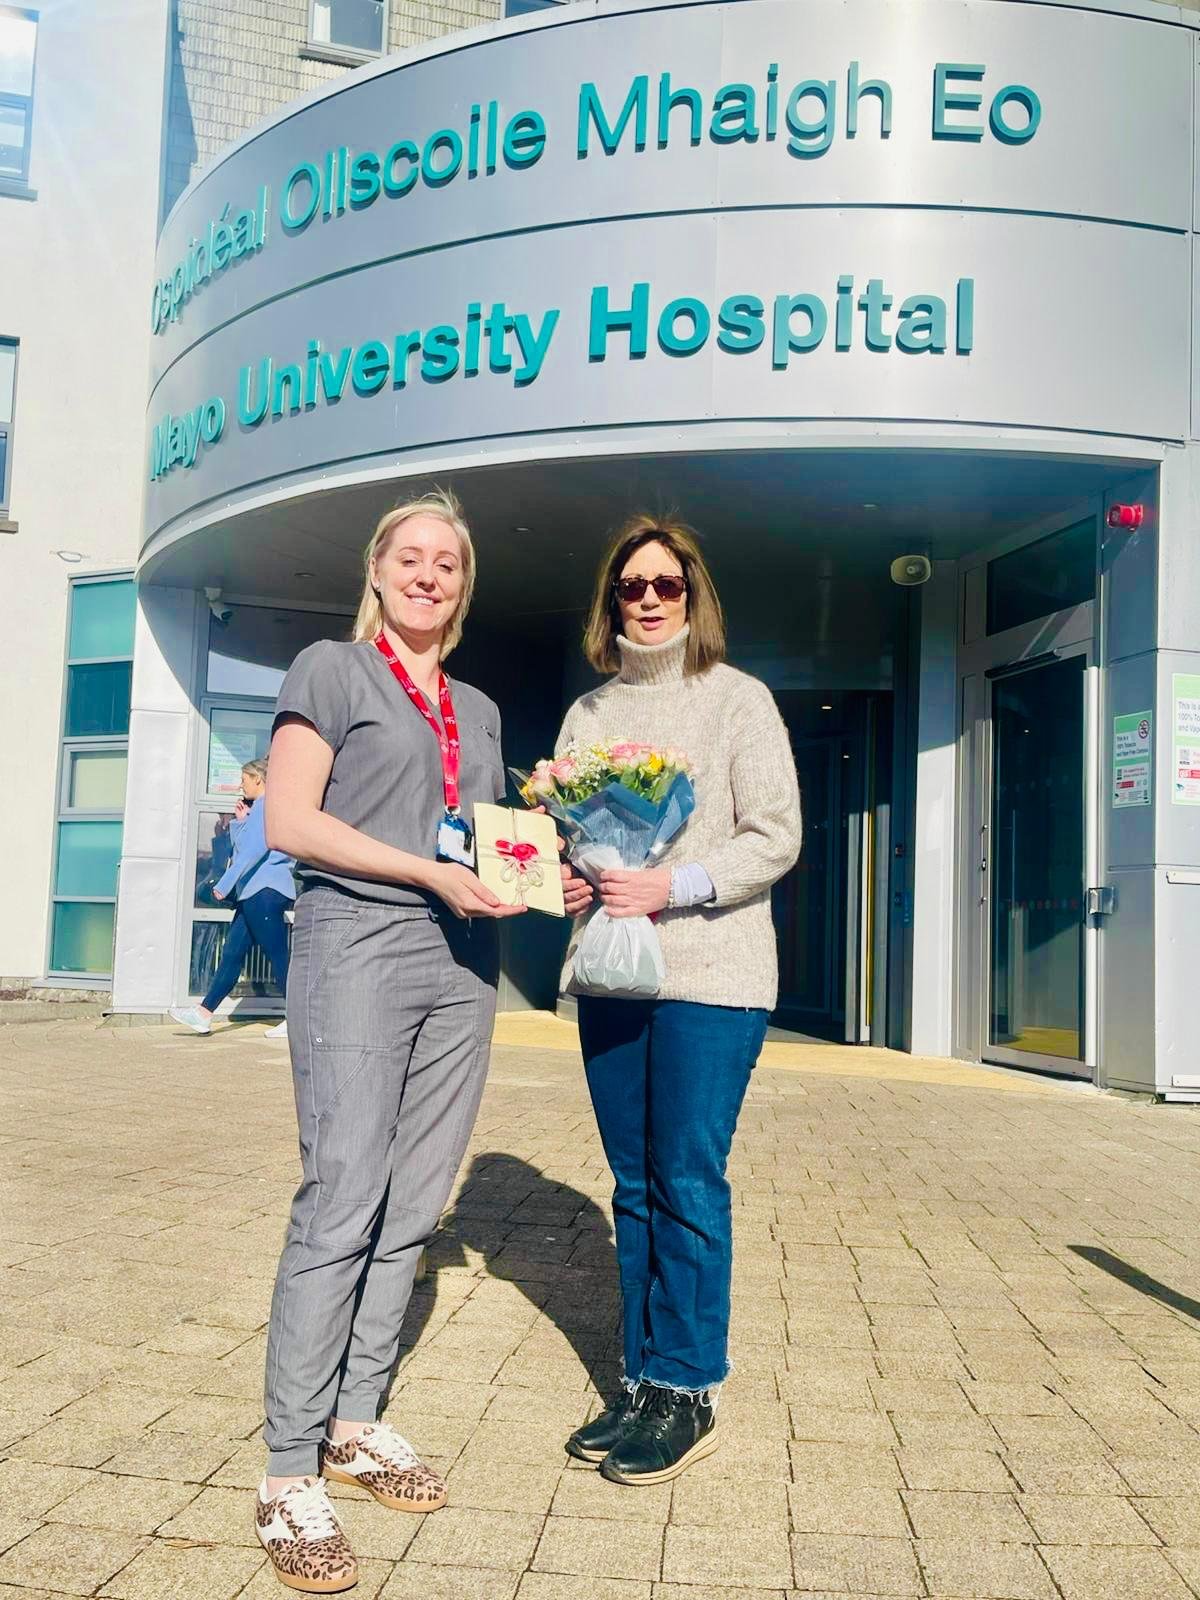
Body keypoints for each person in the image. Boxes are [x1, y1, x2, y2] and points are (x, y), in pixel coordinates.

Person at [253, 489, 589, 1593]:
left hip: (460, 964)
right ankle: (287, 1470)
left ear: (464, 585)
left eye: (448, 562)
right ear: (378, 568)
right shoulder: (331, 670)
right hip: (357, 944)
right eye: (411, 556)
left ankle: (354, 1424)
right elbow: (291, 821)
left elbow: (483, 846)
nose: (428, 574)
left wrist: (547, 879)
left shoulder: (477, 708)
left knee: (412, 1203)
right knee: (342, 1196)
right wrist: (425, 872)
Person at [558, 513, 801, 1486]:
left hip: (713, 974)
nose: (650, 599)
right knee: (633, 1185)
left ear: (694, 595)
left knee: (687, 1181)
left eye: (668, 584)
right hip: (613, 972)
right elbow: (567, 838)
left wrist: (674, 884)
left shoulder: (738, 701)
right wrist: (570, 878)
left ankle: (688, 1387)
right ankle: (640, 1378)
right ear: (611, 601)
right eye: (633, 586)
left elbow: (774, 835)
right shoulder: (588, 715)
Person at [170, 757, 294, 1038]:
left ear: (258, 779)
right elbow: (244, 847)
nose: (241, 785)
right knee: (232, 954)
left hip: (265, 891)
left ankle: (297, 1019)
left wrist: (225, 885)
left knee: (277, 955)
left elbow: (253, 851)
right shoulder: (260, 809)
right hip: (254, 892)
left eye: (244, 779)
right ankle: (203, 1014)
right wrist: (240, 823)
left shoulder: (266, 806)